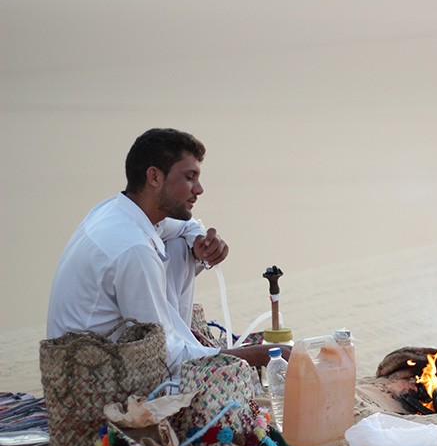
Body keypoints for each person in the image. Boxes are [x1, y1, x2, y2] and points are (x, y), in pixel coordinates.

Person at [47, 128, 289, 374]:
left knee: (179, 242)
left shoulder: (115, 210)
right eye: (189, 177)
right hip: (94, 378)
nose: (199, 189)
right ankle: (188, 344)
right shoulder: (135, 250)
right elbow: (166, 359)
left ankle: (185, 339)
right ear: (154, 177)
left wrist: (199, 244)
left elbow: (187, 226)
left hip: (92, 358)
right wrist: (261, 355)